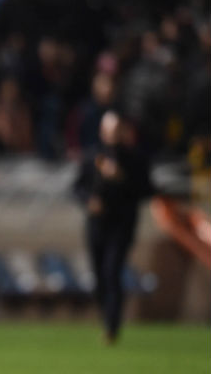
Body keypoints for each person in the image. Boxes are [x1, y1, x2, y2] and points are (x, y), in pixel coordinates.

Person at [74, 110, 152, 344]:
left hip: (121, 225)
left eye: (116, 129)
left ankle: (112, 325)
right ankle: (107, 316)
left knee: (112, 271)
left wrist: (122, 178)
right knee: (99, 275)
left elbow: (147, 189)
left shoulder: (134, 158)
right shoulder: (91, 156)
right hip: (97, 225)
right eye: (109, 130)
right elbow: (77, 188)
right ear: (102, 131)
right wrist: (89, 201)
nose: (113, 134)